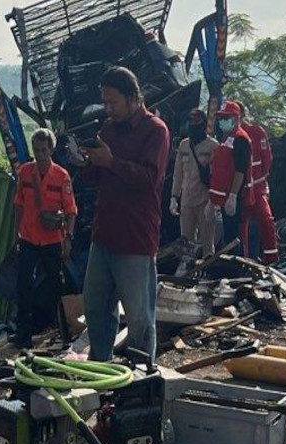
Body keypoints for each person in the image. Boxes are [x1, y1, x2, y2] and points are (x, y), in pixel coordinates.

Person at [76, 66, 171, 362]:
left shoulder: (156, 131)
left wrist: (111, 161)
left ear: (133, 98)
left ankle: (143, 378)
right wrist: (86, 161)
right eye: (105, 103)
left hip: (135, 238)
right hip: (104, 234)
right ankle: (101, 369)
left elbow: (149, 180)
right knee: (95, 307)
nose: (108, 109)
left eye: (113, 102)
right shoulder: (107, 129)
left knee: (139, 316)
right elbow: (95, 178)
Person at [13, 129, 78, 349]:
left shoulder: (61, 176)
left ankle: (59, 330)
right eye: (37, 150)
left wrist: (68, 238)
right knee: (24, 284)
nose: (40, 154)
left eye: (44, 150)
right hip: (29, 237)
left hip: (52, 240)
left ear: (51, 149)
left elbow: (70, 210)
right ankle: (23, 335)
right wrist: (16, 233)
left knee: (55, 285)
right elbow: (19, 204)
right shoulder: (25, 173)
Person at [236, 101, 279, 264]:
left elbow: (267, 159)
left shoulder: (256, 132)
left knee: (266, 220)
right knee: (241, 227)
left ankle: (272, 258)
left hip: (257, 189)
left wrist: (258, 182)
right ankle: (244, 261)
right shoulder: (230, 137)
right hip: (240, 192)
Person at [170, 108, 218, 256]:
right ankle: (187, 273)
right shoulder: (184, 145)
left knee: (207, 242)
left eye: (196, 122)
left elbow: (216, 176)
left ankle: (208, 271)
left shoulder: (213, 146)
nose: (193, 125)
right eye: (190, 121)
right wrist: (174, 197)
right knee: (186, 241)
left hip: (205, 199)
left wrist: (213, 202)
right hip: (186, 200)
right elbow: (178, 173)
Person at [209, 101, 254, 253]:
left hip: (233, 198)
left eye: (225, 117)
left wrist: (233, 196)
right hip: (221, 197)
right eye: (220, 118)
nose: (222, 121)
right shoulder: (226, 137)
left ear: (236, 118)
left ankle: (236, 269)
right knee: (227, 235)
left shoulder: (241, 139)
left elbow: (240, 171)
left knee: (234, 237)